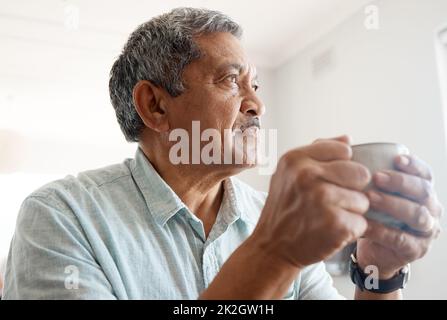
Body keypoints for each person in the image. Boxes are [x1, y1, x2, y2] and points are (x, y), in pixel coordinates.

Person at [3, 7, 443, 300]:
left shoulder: (274, 218)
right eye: (231, 81)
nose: (257, 104)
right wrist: (273, 253)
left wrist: (379, 272)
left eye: (256, 84)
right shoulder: (60, 217)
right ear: (155, 105)